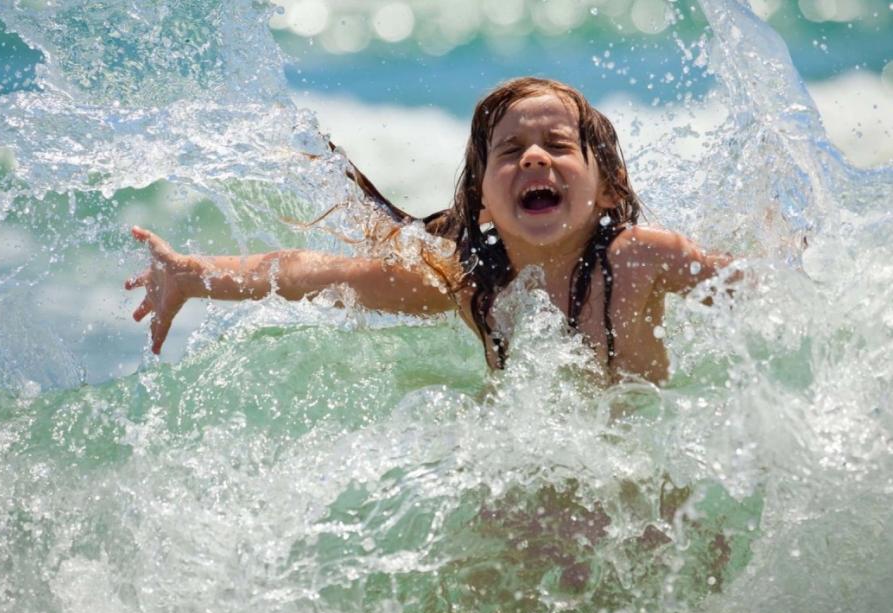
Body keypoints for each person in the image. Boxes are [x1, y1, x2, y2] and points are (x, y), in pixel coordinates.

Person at [126, 77, 734, 384]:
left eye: (557, 145)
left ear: (605, 190)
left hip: (642, 489)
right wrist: (191, 275)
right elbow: (315, 273)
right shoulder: (470, 285)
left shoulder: (638, 261)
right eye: (510, 151)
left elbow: (765, 292)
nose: (533, 159)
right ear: (484, 203)